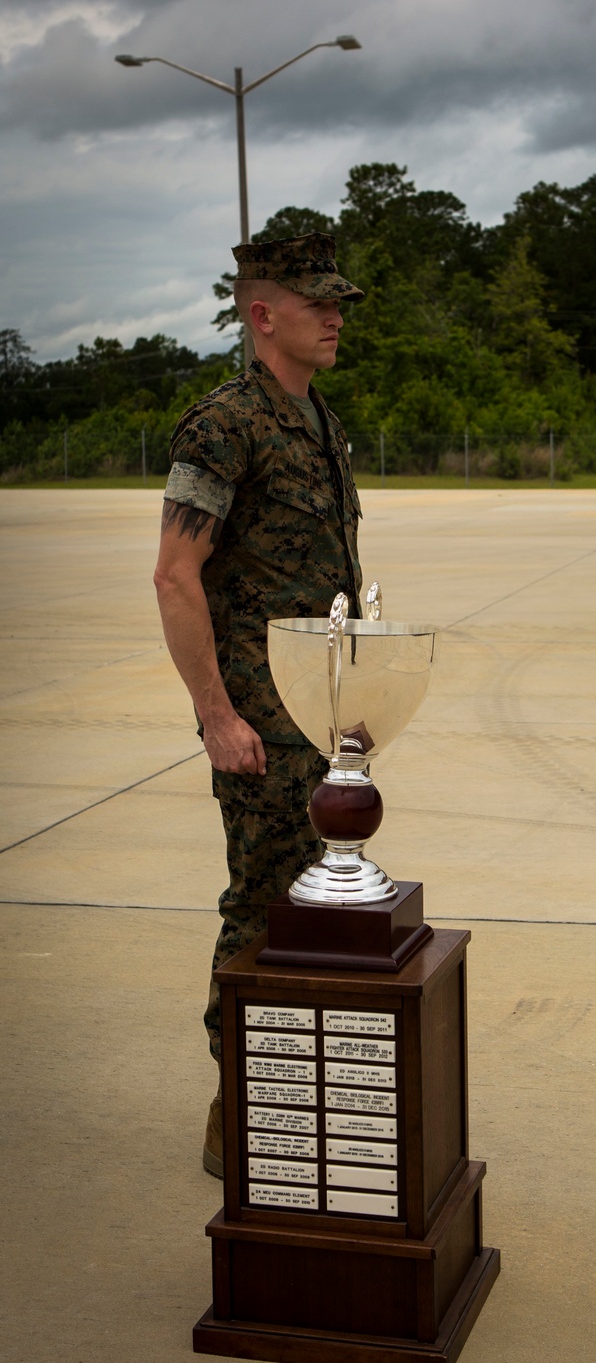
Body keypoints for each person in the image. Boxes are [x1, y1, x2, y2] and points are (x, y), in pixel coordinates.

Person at [153, 233, 365, 1176]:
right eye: (317, 302)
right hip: (260, 727)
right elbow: (173, 576)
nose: (335, 316)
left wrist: (356, 705)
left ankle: (297, 1093)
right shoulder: (222, 424)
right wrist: (216, 716)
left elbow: (337, 576)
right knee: (262, 906)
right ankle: (235, 1107)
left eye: (340, 302)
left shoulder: (320, 421)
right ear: (261, 313)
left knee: (319, 908)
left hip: (323, 719)